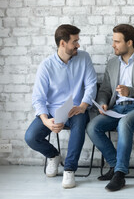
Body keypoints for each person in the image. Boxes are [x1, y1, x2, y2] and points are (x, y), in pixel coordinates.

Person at [86, 24, 134, 192]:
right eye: (113, 41)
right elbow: (105, 90)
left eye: (117, 41)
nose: (113, 45)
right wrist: (103, 102)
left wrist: (130, 91)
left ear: (130, 42)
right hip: (116, 109)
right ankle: (114, 165)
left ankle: (120, 174)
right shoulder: (112, 64)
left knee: (125, 123)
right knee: (93, 126)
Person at [25, 24, 97, 189]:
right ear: (62, 43)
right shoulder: (46, 66)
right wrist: (45, 120)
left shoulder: (84, 58)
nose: (78, 45)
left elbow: (91, 85)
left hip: (77, 109)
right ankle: (53, 156)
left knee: (79, 125)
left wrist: (83, 106)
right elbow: (38, 97)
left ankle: (69, 169)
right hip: (52, 111)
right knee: (31, 137)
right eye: (74, 41)